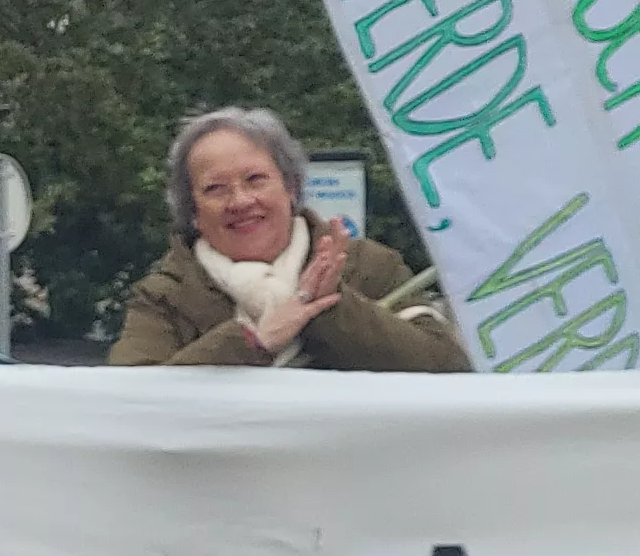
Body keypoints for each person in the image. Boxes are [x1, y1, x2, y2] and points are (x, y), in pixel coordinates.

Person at [110, 106, 467, 372]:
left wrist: (331, 307)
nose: (241, 201)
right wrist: (255, 343)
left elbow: (447, 371)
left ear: (291, 188)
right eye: (216, 189)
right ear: (192, 212)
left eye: (255, 179)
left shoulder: (369, 266)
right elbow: (131, 407)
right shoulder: (163, 296)